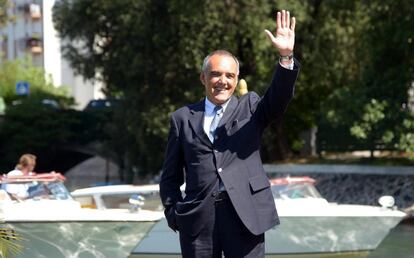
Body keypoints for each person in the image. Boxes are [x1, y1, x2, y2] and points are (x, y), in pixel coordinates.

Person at [160, 10, 299, 258]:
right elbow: (170, 177)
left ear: (236, 81)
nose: (222, 81)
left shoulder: (252, 107)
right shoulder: (181, 118)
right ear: (203, 78)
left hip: (246, 216)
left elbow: (279, 98)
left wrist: (286, 57)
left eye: (229, 76)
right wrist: (174, 213)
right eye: (215, 74)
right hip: (198, 221)